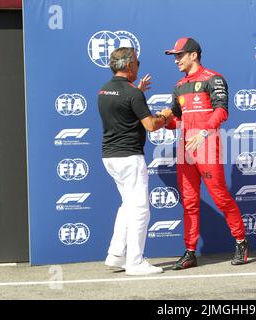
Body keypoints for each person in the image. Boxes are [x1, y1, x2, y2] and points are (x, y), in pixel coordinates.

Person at [159, 37, 249, 270]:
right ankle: (190, 252)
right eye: (174, 56)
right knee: (189, 202)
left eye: (179, 55)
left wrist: (204, 133)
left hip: (207, 146)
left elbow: (222, 111)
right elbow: (177, 119)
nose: (176, 59)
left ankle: (241, 241)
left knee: (220, 198)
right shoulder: (179, 85)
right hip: (185, 150)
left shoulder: (214, 79)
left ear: (194, 55)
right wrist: (162, 120)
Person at [98, 47, 169, 276]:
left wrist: (136, 93)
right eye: (137, 63)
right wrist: (166, 116)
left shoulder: (105, 90)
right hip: (129, 158)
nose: (138, 66)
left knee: (127, 206)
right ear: (129, 66)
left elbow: (123, 107)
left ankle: (116, 255)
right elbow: (150, 125)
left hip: (110, 158)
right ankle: (135, 262)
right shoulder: (132, 94)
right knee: (140, 210)